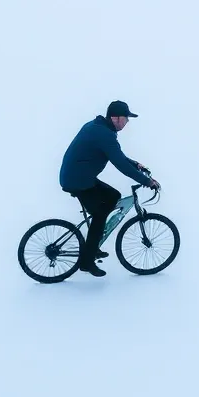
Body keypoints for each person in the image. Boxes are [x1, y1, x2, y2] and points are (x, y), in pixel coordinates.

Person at [59, 100, 159, 276]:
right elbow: (120, 164)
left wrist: (136, 164)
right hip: (77, 180)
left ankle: (93, 242)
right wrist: (147, 181)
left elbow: (117, 156)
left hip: (79, 177)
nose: (127, 122)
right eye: (125, 118)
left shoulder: (98, 128)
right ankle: (87, 261)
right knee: (99, 215)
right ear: (115, 118)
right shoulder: (104, 134)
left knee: (113, 196)